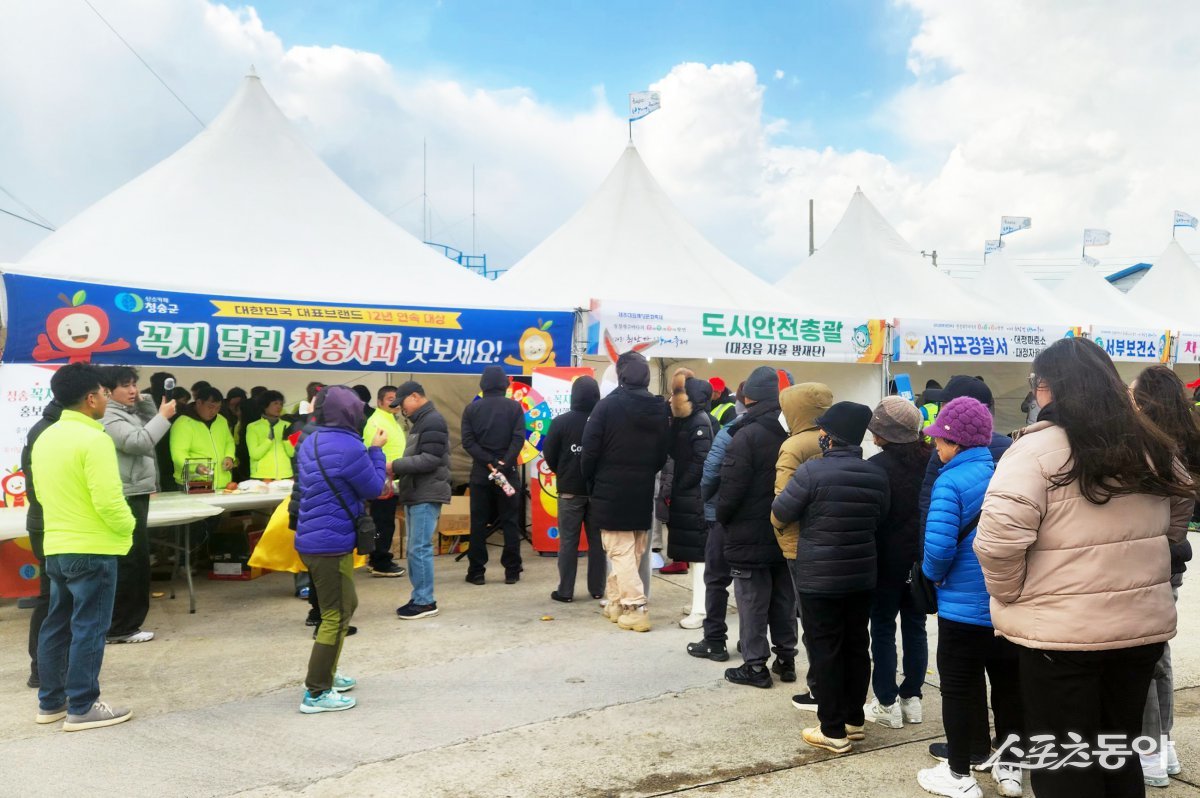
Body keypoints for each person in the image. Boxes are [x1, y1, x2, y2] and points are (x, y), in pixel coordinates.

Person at [975, 338, 1195, 797]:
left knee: (1064, 763)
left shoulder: (1035, 451)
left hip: (1061, 636)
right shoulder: (1150, 442)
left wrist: (1011, 593)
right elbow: (1179, 513)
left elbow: (997, 542)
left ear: (1049, 388)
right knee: (1117, 753)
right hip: (1138, 630)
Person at [915, 397, 1023, 798]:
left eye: (940, 440)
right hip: (1006, 607)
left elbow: (939, 549)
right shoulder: (1006, 476)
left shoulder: (950, 481)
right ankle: (1010, 770)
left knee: (961, 689)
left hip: (960, 610)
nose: (935, 448)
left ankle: (960, 774)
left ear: (956, 442)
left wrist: (932, 577)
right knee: (1010, 688)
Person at [771, 401, 888, 755]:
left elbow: (780, 513)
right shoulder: (876, 475)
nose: (820, 434)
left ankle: (832, 729)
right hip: (862, 575)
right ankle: (854, 720)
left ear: (831, 437)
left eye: (824, 430)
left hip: (819, 578)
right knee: (856, 645)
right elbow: (881, 518)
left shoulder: (811, 472)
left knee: (826, 649)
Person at [33, 363, 136, 731]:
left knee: (57, 624)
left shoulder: (47, 436)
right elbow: (109, 500)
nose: (107, 398)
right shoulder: (94, 438)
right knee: (90, 627)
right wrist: (129, 526)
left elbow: (42, 495)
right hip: (92, 546)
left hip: (58, 544)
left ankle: (51, 703)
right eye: (104, 393)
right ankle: (82, 705)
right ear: (91, 398)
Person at [289, 385, 386, 713]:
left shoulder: (310, 439)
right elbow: (373, 487)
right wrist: (376, 450)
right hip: (332, 543)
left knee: (344, 606)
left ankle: (327, 669)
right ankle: (316, 692)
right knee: (336, 613)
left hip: (311, 538)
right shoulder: (350, 446)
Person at [1131, 366, 1199, 786]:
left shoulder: (1151, 448)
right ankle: (1165, 744)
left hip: (1149, 563)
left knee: (1143, 658)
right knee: (1159, 655)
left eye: (1135, 394)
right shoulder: (1187, 442)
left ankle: (1151, 751)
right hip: (1169, 564)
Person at [717, 366, 797, 688]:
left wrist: (721, 517)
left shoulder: (744, 436)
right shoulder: (792, 433)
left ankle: (754, 667)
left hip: (748, 536)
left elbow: (730, 491)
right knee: (783, 598)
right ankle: (787, 659)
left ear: (747, 397)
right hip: (785, 531)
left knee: (751, 601)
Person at [581, 350, 671, 632]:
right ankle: (616, 601)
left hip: (611, 488)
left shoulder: (606, 407)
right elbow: (662, 454)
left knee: (618, 550)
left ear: (620, 375)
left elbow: (589, 451)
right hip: (642, 488)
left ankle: (636, 606)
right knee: (631, 550)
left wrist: (592, 482)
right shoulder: (659, 408)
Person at [861, 397, 929, 730]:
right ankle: (912, 698)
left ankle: (886, 701)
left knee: (883, 630)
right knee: (915, 628)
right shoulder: (932, 461)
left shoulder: (875, 469)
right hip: (922, 562)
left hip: (885, 563)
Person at [100, 366, 176, 645]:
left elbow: (148, 427)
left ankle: (124, 625)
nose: (133, 390)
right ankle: (121, 627)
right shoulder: (109, 415)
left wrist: (148, 404)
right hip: (127, 493)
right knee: (131, 561)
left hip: (137, 490)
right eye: (126, 385)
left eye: (134, 384)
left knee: (136, 560)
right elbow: (139, 442)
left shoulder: (128, 410)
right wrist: (162, 417)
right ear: (108, 391)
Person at [771, 382, 833, 709]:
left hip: (800, 546)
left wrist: (779, 530)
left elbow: (783, 503)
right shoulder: (834, 438)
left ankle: (817, 690)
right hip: (834, 543)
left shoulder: (794, 445)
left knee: (810, 621)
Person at [687, 387, 743, 662]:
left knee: (717, 579)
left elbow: (709, 473)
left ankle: (715, 640)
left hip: (725, 515)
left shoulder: (731, 430)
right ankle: (754, 642)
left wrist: (709, 502)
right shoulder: (786, 430)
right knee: (755, 584)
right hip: (764, 519)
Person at [389, 381, 451, 620]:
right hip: (417, 491)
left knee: (420, 548)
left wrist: (394, 466)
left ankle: (425, 601)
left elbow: (430, 459)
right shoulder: (422, 421)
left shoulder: (432, 420)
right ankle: (419, 596)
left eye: (402, 403)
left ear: (415, 396)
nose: (402, 409)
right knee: (415, 549)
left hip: (426, 492)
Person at [462, 366, 526, 585]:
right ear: (505, 385)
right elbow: (518, 439)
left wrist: (488, 461)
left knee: (478, 522)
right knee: (510, 521)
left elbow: (468, 442)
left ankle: (477, 571)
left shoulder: (472, 410)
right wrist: (503, 463)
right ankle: (512, 571)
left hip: (481, 473)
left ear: (483, 385)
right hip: (507, 472)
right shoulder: (514, 408)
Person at [543, 375, 604, 603]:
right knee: (598, 542)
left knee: (568, 542)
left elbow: (549, 454)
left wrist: (563, 471)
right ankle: (597, 589)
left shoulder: (561, 422)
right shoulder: (602, 421)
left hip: (569, 490)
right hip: (597, 490)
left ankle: (565, 591)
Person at [22, 398, 63, 689]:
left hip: (51, 524)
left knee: (53, 598)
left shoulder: (53, 426)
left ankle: (46, 667)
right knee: (51, 598)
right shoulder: (49, 431)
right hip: (51, 525)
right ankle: (41, 668)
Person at [669, 377, 715, 625]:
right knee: (694, 554)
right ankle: (699, 602)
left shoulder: (700, 421)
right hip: (688, 494)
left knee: (699, 556)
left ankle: (702, 610)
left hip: (694, 496)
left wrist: (684, 483)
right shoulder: (686, 420)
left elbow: (701, 459)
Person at [363, 386, 407, 577]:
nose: (395, 402)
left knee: (385, 521)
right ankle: (379, 560)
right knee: (381, 523)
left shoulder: (391, 419)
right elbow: (370, 450)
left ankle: (378, 557)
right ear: (380, 402)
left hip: (391, 478)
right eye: (390, 399)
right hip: (382, 478)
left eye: (397, 399)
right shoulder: (377, 421)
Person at [170, 386, 236, 491]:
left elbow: (229, 441)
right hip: (194, 483)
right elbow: (178, 454)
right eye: (210, 407)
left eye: (218, 408)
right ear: (199, 403)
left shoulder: (221, 420)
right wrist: (195, 467)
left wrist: (229, 456)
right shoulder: (183, 423)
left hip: (222, 483)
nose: (214, 411)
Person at [246, 390, 295, 480]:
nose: (279, 407)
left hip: (285, 475)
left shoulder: (288, 425)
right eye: (275, 403)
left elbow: (292, 453)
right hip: (262, 476)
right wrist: (268, 440)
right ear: (265, 405)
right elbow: (254, 454)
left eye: (281, 404)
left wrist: (286, 440)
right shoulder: (253, 427)